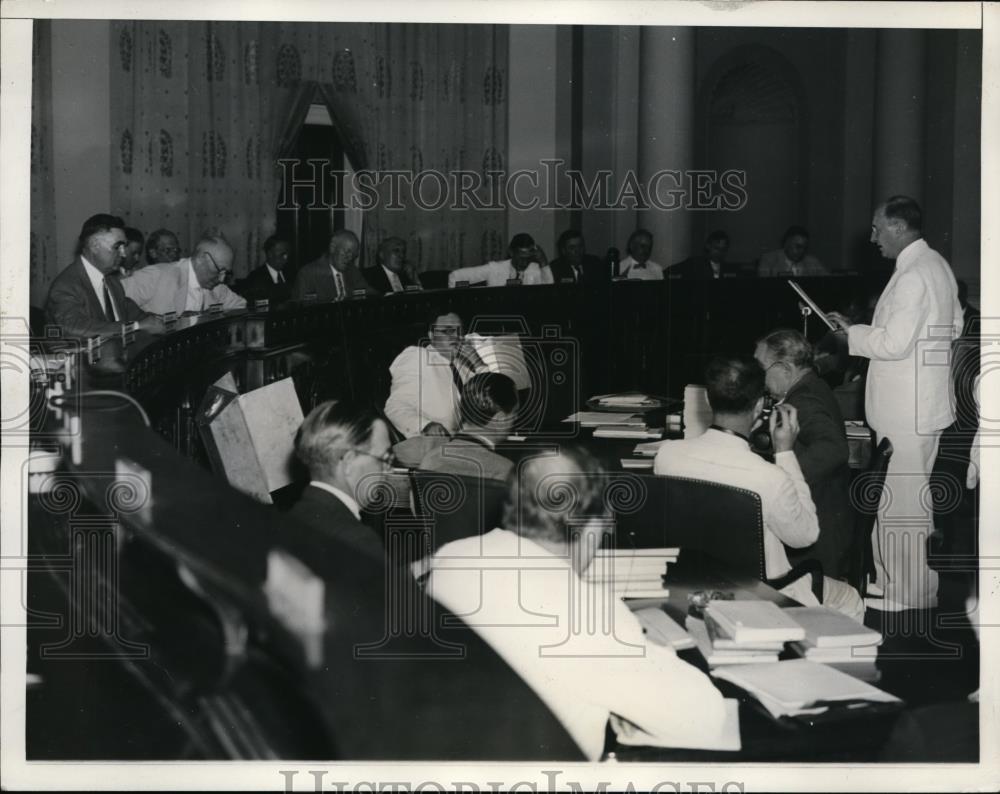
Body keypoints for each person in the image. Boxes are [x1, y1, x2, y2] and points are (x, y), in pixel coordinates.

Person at [426, 448, 731, 761]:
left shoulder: (451, 557)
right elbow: (704, 719)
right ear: (592, 526)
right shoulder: (590, 613)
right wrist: (645, 650)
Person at [828, 195, 964, 610]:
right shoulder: (936, 265)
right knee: (903, 501)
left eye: (877, 228)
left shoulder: (911, 276)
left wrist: (850, 336)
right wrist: (862, 329)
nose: (872, 238)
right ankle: (895, 584)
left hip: (906, 411)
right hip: (923, 404)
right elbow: (954, 325)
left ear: (899, 227)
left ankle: (907, 595)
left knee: (901, 505)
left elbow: (893, 342)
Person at [654, 356, 864, 620]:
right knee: (850, 598)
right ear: (758, 407)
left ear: (707, 400)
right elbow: (805, 536)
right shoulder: (769, 477)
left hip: (694, 586)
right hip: (764, 593)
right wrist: (785, 453)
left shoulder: (667, 456)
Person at [754, 329, 852, 579]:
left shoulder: (804, 400)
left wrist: (782, 479)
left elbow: (834, 449)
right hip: (830, 515)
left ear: (786, 369)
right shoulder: (812, 385)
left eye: (761, 369)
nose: (758, 379)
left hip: (818, 538)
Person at [284, 400, 393, 564]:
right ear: (348, 463)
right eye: (384, 458)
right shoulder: (358, 541)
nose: (389, 469)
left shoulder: (290, 520)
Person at [44, 213, 164, 339]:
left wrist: (161, 320)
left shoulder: (111, 280)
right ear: (95, 246)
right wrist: (136, 326)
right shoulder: (66, 285)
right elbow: (74, 328)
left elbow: (136, 315)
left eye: (124, 247)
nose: (123, 254)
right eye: (117, 247)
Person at [393, 372, 518, 481]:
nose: (516, 418)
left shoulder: (429, 460)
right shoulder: (505, 471)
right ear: (500, 419)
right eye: (514, 413)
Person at [384, 311, 485, 439]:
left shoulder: (462, 366)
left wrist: (477, 362)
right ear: (431, 335)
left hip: (466, 443)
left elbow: (494, 400)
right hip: (431, 445)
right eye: (447, 331)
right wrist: (425, 426)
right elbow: (395, 407)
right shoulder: (418, 357)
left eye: (459, 331)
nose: (456, 336)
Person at [122, 230, 247, 314]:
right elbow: (115, 302)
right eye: (219, 270)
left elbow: (241, 306)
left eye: (226, 273)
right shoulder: (156, 275)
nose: (221, 279)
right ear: (200, 260)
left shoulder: (218, 288)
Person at [292, 229, 376, 301]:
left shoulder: (352, 270)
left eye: (353, 255)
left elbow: (371, 294)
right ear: (332, 247)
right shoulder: (308, 273)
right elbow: (302, 309)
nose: (349, 258)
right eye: (346, 252)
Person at [447, 233, 554, 287]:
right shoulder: (495, 268)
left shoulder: (535, 270)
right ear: (511, 253)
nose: (524, 263)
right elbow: (455, 277)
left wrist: (543, 263)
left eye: (528, 258)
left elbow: (550, 292)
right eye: (521, 258)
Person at [238, 234, 293, 305]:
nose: (286, 258)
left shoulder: (291, 273)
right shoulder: (255, 278)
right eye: (282, 254)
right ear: (270, 254)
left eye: (287, 255)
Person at [757, 226, 828, 277]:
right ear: (786, 243)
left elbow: (828, 281)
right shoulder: (769, 260)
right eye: (798, 246)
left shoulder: (813, 262)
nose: (802, 251)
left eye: (805, 248)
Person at [670, 230, 737, 279]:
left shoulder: (728, 269)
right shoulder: (694, 263)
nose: (719, 253)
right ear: (708, 246)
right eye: (716, 248)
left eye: (723, 250)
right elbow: (669, 272)